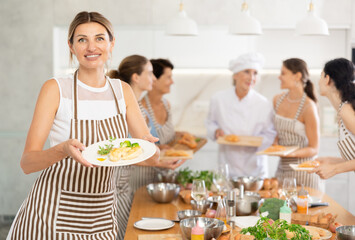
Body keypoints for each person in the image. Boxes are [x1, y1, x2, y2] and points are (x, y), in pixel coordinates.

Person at [7, 11, 160, 240]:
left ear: (111, 43)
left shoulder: (123, 91)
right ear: (71, 46)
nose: (91, 47)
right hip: (52, 214)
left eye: (99, 38)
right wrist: (62, 149)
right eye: (82, 39)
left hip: (101, 214)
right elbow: (27, 163)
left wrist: (152, 149)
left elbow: (149, 157)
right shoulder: (55, 89)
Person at [108, 56, 185, 193]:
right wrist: (159, 162)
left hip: (123, 184)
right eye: (150, 73)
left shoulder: (135, 107)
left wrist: (160, 151)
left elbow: (134, 147)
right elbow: (121, 153)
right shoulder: (124, 107)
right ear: (136, 78)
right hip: (113, 185)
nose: (154, 78)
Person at [205, 52, 276, 178]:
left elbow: (270, 133)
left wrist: (254, 142)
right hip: (227, 164)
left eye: (255, 73)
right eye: (247, 72)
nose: (251, 78)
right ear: (235, 75)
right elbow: (210, 123)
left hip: (255, 167)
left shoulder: (264, 103)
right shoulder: (218, 99)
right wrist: (216, 131)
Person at [130, 58, 185, 192]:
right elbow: (134, 147)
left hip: (164, 174)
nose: (172, 82)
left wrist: (179, 136)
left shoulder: (166, 105)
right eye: (168, 77)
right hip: (142, 178)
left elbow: (162, 137)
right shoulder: (139, 108)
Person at [272, 58, 323, 190]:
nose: (279, 77)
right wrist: (275, 142)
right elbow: (279, 131)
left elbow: (314, 148)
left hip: (304, 173)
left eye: (283, 73)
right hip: (282, 171)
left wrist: (289, 153)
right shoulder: (277, 100)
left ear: (297, 76)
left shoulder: (308, 107)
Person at [310, 58, 355, 179]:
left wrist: (334, 169)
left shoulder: (346, 110)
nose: (318, 82)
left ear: (327, 79)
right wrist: (330, 161)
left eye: (321, 76)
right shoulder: (343, 109)